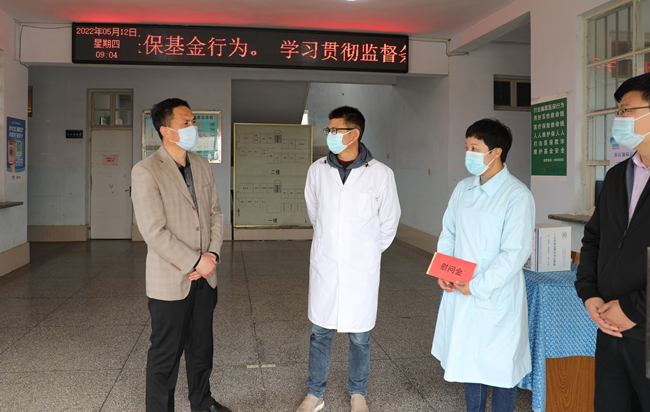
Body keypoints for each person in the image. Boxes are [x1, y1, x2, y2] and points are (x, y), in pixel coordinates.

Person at [296, 106, 401, 412]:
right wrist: (333, 243)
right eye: (328, 130)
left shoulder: (380, 174)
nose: (329, 135)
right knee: (320, 333)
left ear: (354, 134)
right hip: (326, 263)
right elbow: (315, 212)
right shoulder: (317, 170)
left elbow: (389, 222)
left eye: (335, 130)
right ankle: (314, 393)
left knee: (360, 337)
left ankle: (358, 393)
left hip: (360, 268)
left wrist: (366, 251)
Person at [131, 98, 231, 412]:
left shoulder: (201, 164)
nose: (193, 127)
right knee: (166, 355)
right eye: (185, 122)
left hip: (206, 277)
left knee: (201, 349)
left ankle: (202, 402)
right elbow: (153, 231)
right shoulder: (146, 171)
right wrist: (195, 261)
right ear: (165, 130)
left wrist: (212, 255)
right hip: (171, 281)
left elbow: (215, 214)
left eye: (193, 121)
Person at [431, 118, 535, 412]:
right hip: (460, 287)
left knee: (501, 368)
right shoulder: (463, 188)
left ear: (496, 152)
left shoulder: (517, 195)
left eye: (475, 148)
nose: (468, 154)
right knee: (469, 361)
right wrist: (445, 271)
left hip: (495, 296)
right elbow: (449, 233)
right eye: (467, 147)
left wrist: (477, 286)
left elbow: (514, 253)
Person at [575, 73, 650, 412]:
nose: (619, 119)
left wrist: (633, 309)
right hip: (610, 327)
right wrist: (589, 293)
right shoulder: (619, 174)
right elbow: (595, 237)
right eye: (618, 111)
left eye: (626, 111)